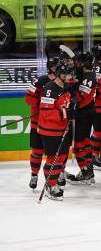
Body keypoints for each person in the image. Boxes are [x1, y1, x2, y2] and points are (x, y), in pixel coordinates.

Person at [38, 61, 76, 201]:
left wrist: (71, 107)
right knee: (53, 158)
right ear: (60, 74)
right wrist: (66, 113)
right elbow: (47, 113)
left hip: (61, 129)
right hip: (50, 130)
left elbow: (65, 104)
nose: (69, 76)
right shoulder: (49, 88)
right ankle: (50, 185)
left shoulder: (65, 87)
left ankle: (53, 181)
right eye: (67, 74)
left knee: (61, 157)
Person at [25, 54, 59, 190]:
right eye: (58, 66)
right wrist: (43, 105)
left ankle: (59, 173)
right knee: (37, 151)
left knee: (55, 153)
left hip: (53, 125)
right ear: (52, 68)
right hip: (37, 123)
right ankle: (34, 175)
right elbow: (29, 99)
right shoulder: (38, 81)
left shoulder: (61, 83)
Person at [66, 51, 97, 185]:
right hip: (85, 112)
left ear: (84, 63)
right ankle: (88, 172)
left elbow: (79, 97)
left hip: (85, 113)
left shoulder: (89, 77)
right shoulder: (85, 75)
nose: (76, 63)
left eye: (79, 61)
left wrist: (69, 89)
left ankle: (86, 173)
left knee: (79, 145)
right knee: (84, 143)